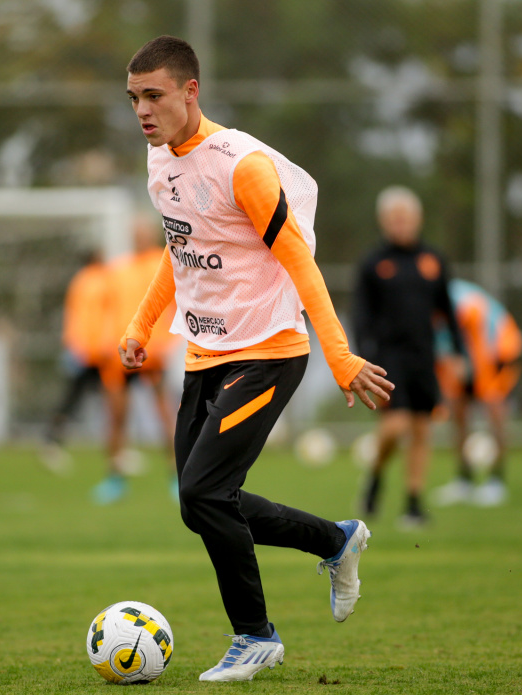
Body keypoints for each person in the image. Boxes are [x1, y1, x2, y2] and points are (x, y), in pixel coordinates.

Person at [119, 36, 393, 682]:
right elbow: (180, 243)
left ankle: (255, 635)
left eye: (153, 95)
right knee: (198, 502)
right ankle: (334, 538)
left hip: (269, 353)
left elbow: (299, 258)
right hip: (204, 353)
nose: (141, 110)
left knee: (203, 490)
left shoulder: (240, 165)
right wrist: (141, 322)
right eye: (133, 98)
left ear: (191, 91)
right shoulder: (158, 160)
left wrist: (340, 353)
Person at [353, 186, 465, 528]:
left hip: (423, 356)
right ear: (383, 221)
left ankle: (414, 503)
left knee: (421, 427)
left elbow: (448, 309)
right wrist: (363, 357)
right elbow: (361, 315)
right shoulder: (373, 264)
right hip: (388, 358)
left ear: (417, 220)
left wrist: (458, 352)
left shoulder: (433, 260)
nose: (400, 224)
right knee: (396, 424)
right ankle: (374, 474)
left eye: (406, 217)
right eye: (393, 218)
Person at [92, 215, 181, 504]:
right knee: (116, 417)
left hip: (152, 353)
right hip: (121, 352)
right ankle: (114, 478)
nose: (137, 238)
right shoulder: (120, 269)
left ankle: (177, 477)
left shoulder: (163, 261)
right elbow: (109, 309)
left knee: (165, 415)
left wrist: (167, 342)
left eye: (142, 233)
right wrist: (106, 341)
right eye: (134, 233)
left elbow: (174, 304)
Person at [432, 278, 522, 507]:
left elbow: (478, 339)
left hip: (497, 350)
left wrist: (464, 366)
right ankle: (464, 479)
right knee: (458, 410)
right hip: (465, 353)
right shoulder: (424, 303)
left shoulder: (463, 302)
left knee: (494, 409)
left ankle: (496, 481)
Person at [41, 249, 112, 474]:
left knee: (73, 398)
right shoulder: (98, 280)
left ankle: (52, 441)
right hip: (94, 351)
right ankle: (115, 450)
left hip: (81, 349)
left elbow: (74, 315)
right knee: (107, 399)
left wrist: (72, 343)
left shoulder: (79, 281)